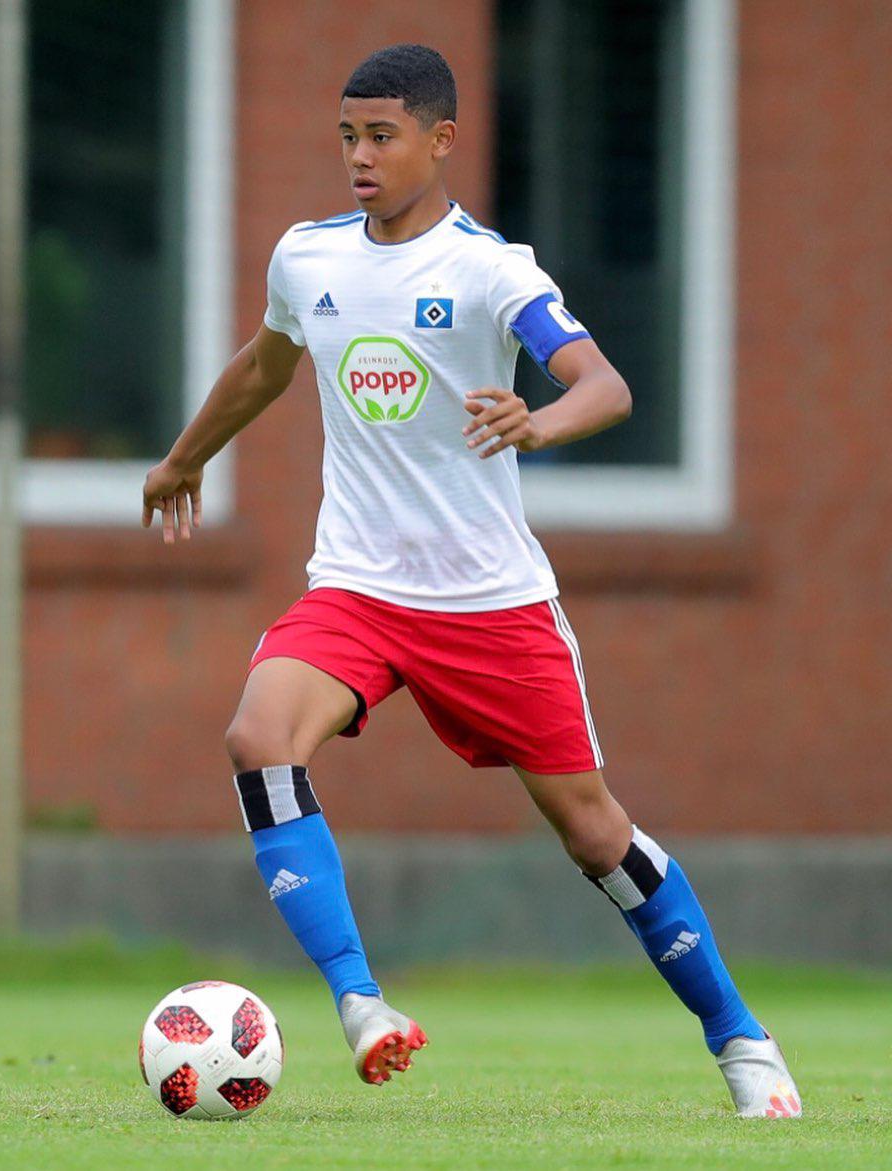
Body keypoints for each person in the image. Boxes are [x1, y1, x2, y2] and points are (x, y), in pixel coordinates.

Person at [142, 44, 801, 1118]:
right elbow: (268, 363)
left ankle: (739, 1037)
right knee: (259, 738)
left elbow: (605, 383)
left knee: (593, 834)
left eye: (382, 136)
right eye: (348, 135)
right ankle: (361, 1003)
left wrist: (536, 420)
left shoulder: (493, 270)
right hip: (357, 586)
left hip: (490, 605)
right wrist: (185, 457)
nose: (358, 156)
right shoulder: (307, 258)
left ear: (442, 140)